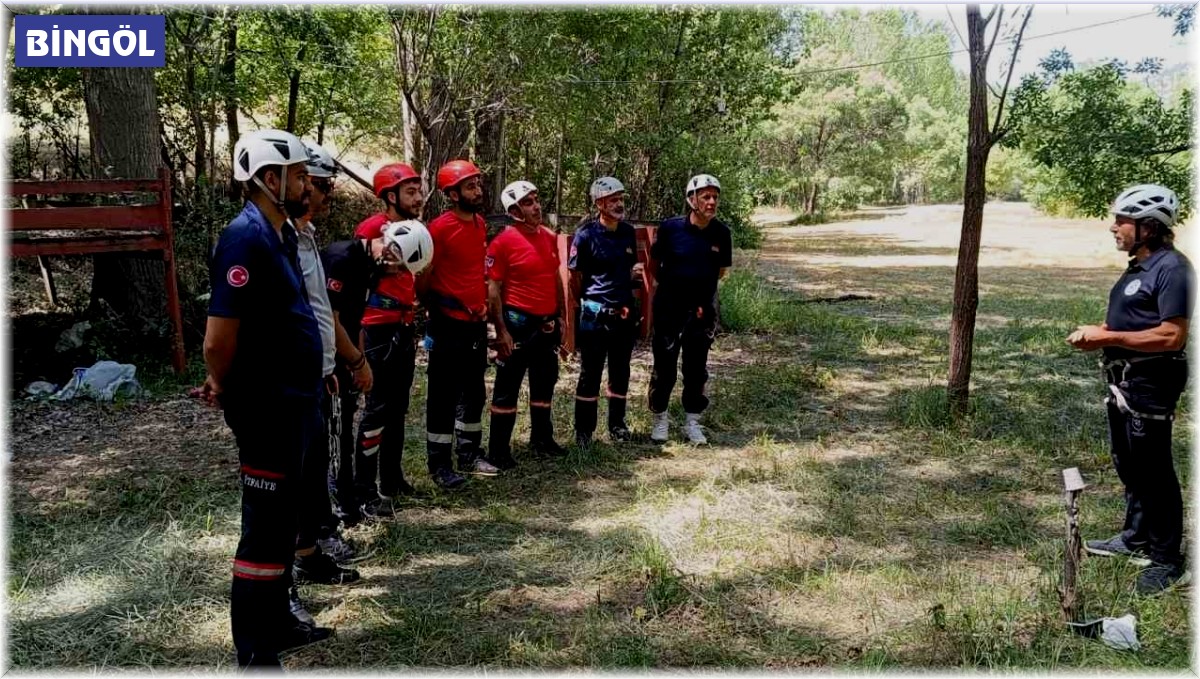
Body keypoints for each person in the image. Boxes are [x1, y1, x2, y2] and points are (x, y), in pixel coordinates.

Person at [200, 129, 330, 667]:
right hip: (267, 407)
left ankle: (277, 621)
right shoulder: (244, 239)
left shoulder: (281, 235)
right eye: (299, 175)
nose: (308, 184)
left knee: (283, 522)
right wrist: (224, 384)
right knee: (263, 529)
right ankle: (255, 654)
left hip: (296, 400)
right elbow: (217, 337)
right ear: (269, 179)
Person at [1068, 183, 1194, 595]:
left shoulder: (1173, 269)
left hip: (1151, 382)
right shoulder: (1139, 265)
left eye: (1121, 221)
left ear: (1148, 227)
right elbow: (1135, 323)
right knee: (1129, 464)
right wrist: (1102, 333)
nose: (1113, 228)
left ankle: (1167, 559)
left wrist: (1108, 338)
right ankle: (1135, 536)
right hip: (1125, 380)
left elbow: (1171, 337)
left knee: (1154, 471)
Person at [287, 141, 361, 618]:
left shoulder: (307, 234)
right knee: (286, 482)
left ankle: (309, 555)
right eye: (321, 184)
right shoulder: (271, 240)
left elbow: (322, 311)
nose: (329, 192)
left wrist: (335, 363)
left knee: (314, 473)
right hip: (287, 383)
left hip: (318, 374)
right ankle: (281, 583)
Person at [346, 163, 427, 519]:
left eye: (419, 190)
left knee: (397, 409)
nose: (419, 197)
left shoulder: (414, 229)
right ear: (391, 196)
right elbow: (357, 276)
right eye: (410, 192)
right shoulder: (371, 229)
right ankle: (363, 488)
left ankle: (391, 479)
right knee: (377, 410)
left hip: (403, 327)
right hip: (377, 330)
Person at [417, 159, 501, 488]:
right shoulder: (438, 228)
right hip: (446, 323)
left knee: (474, 390)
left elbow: (473, 271)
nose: (478, 191)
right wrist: (437, 307)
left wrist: (481, 306)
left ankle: (468, 453)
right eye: (470, 186)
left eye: (478, 184)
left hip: (474, 324)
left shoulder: (480, 224)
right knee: (442, 395)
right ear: (452, 194)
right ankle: (439, 464)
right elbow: (424, 277)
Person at [483, 180, 567, 469]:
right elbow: (493, 289)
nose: (536, 206)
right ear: (515, 211)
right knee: (508, 385)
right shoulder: (503, 242)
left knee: (545, 381)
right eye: (529, 203)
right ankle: (498, 450)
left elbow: (555, 277)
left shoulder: (548, 236)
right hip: (518, 323)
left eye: (536, 199)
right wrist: (501, 330)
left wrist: (562, 317)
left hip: (547, 322)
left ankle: (542, 439)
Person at [646, 174, 732, 445]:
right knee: (665, 367)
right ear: (691, 199)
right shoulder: (671, 229)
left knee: (696, 369)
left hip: (701, 312)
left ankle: (692, 422)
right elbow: (653, 265)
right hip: (669, 309)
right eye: (706, 196)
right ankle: (659, 419)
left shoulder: (722, 233)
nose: (711, 202)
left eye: (715, 197)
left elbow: (720, 272)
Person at [569, 177, 643, 447]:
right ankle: (584, 432)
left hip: (623, 314)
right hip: (595, 317)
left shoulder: (627, 232)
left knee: (620, 371)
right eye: (612, 199)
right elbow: (575, 277)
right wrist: (590, 303)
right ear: (599, 203)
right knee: (590, 373)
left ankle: (617, 425)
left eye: (621, 198)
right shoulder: (586, 235)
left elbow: (630, 267)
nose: (619, 204)